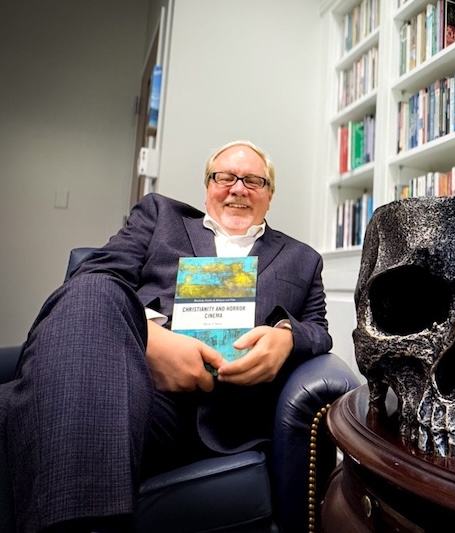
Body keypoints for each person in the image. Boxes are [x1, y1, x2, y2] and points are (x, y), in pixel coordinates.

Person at [2, 140, 332, 532]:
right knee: (92, 289)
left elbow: (319, 329)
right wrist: (149, 339)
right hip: (127, 381)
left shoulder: (303, 258)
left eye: (253, 180)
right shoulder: (160, 216)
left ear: (269, 194)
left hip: (222, 414)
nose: (238, 188)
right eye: (225, 177)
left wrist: (287, 337)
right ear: (208, 185)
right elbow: (92, 276)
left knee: (16, 410)